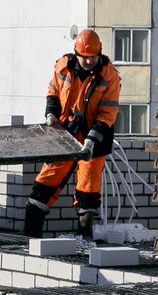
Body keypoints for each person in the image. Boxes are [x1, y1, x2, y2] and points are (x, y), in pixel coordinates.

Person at [23, 28, 121, 239]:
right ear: (76, 53)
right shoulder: (63, 66)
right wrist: (51, 113)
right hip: (65, 134)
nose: (87, 61)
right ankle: (30, 236)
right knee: (45, 182)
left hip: (94, 139)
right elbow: (53, 92)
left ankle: (84, 239)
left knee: (88, 190)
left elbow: (107, 114)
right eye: (84, 57)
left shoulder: (109, 76)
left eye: (92, 57)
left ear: (99, 54)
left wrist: (92, 139)